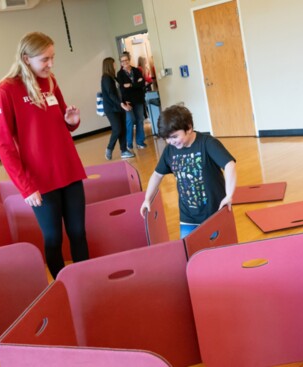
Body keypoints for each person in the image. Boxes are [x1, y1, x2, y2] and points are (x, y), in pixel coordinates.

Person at [0, 31, 89, 279]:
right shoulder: (6, 90)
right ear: (26, 59)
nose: (50, 64)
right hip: (40, 180)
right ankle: (62, 284)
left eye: (52, 58)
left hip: (68, 168)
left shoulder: (50, 81)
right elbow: (4, 146)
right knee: (53, 237)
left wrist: (71, 122)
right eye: (44, 59)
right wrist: (25, 187)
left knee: (78, 231)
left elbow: (60, 120)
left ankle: (86, 278)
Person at [140, 105, 236, 238]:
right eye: (167, 138)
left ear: (189, 128)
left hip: (214, 212)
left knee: (218, 253)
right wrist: (147, 199)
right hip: (187, 217)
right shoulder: (170, 150)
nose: (171, 141)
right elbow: (157, 174)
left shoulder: (207, 143)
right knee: (190, 253)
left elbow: (229, 165)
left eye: (174, 136)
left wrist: (229, 195)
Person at [101, 57, 134, 160]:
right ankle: (109, 148)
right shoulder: (106, 78)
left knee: (123, 129)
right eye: (114, 63)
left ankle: (124, 150)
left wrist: (124, 102)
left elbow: (118, 93)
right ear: (110, 65)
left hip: (119, 107)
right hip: (111, 109)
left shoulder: (113, 77)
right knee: (117, 129)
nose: (116, 65)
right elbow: (111, 94)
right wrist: (122, 104)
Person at [117, 52, 148, 150]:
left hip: (138, 99)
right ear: (121, 63)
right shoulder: (120, 74)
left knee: (140, 120)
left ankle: (140, 142)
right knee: (130, 121)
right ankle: (129, 143)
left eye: (126, 60)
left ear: (129, 60)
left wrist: (130, 85)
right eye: (122, 61)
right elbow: (122, 88)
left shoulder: (136, 70)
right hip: (128, 102)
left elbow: (142, 83)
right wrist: (136, 84)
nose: (124, 62)